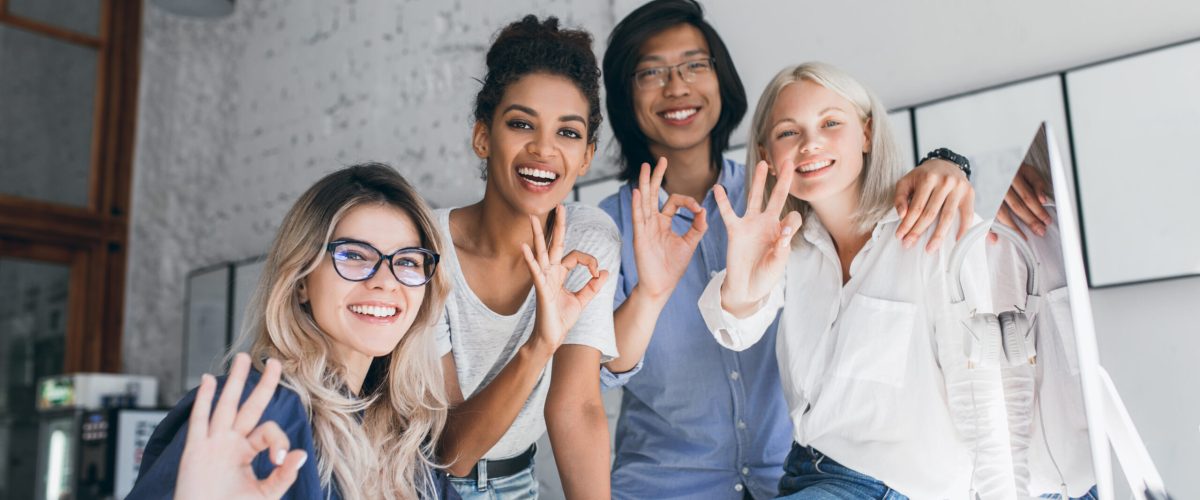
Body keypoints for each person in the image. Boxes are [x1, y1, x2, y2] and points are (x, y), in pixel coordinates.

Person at [596, 1, 980, 498]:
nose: (677, 86)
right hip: (669, 484)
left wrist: (948, 162)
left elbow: (863, 193)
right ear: (626, 96)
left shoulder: (794, 204)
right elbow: (600, 372)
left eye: (694, 64)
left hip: (800, 478)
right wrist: (652, 292)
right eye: (651, 72)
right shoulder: (608, 226)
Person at [699, 62, 1009, 499]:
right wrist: (745, 282)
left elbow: (984, 389)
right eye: (789, 132)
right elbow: (734, 329)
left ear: (866, 134)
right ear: (767, 154)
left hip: (898, 485)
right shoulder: (793, 246)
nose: (810, 144)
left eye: (830, 123)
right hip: (806, 470)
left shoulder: (935, 229)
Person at [129, 163, 459, 499]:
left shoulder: (401, 437)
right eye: (354, 255)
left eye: (406, 261)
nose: (385, 282)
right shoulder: (253, 410)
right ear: (301, 281)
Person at [434, 15, 616, 499]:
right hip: (415, 482)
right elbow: (452, 453)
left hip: (519, 484)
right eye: (521, 124)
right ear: (483, 137)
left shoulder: (591, 239)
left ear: (586, 157)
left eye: (568, 133)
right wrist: (540, 343)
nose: (543, 149)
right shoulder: (424, 245)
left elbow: (577, 408)